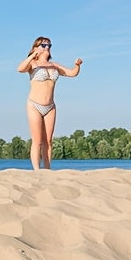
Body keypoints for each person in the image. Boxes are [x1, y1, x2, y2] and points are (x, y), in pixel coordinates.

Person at [16, 36, 83, 170]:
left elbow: (72, 73)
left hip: (50, 106)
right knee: (37, 141)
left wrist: (77, 65)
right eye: (43, 45)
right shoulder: (32, 64)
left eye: (49, 45)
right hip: (34, 105)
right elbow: (20, 69)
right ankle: (36, 170)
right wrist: (33, 55)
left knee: (48, 141)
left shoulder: (54, 65)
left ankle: (47, 169)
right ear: (36, 47)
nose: (47, 48)